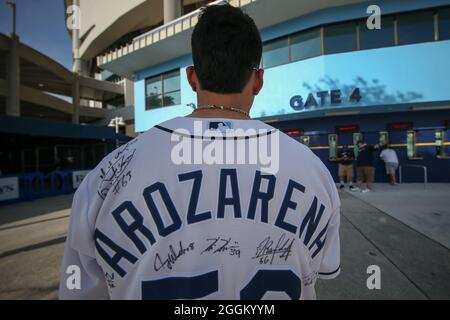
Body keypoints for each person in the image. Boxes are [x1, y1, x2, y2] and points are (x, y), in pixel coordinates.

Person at [59, 4, 340, 300]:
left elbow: (79, 293)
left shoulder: (107, 176)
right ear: (258, 81)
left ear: (192, 77)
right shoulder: (314, 171)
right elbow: (322, 270)